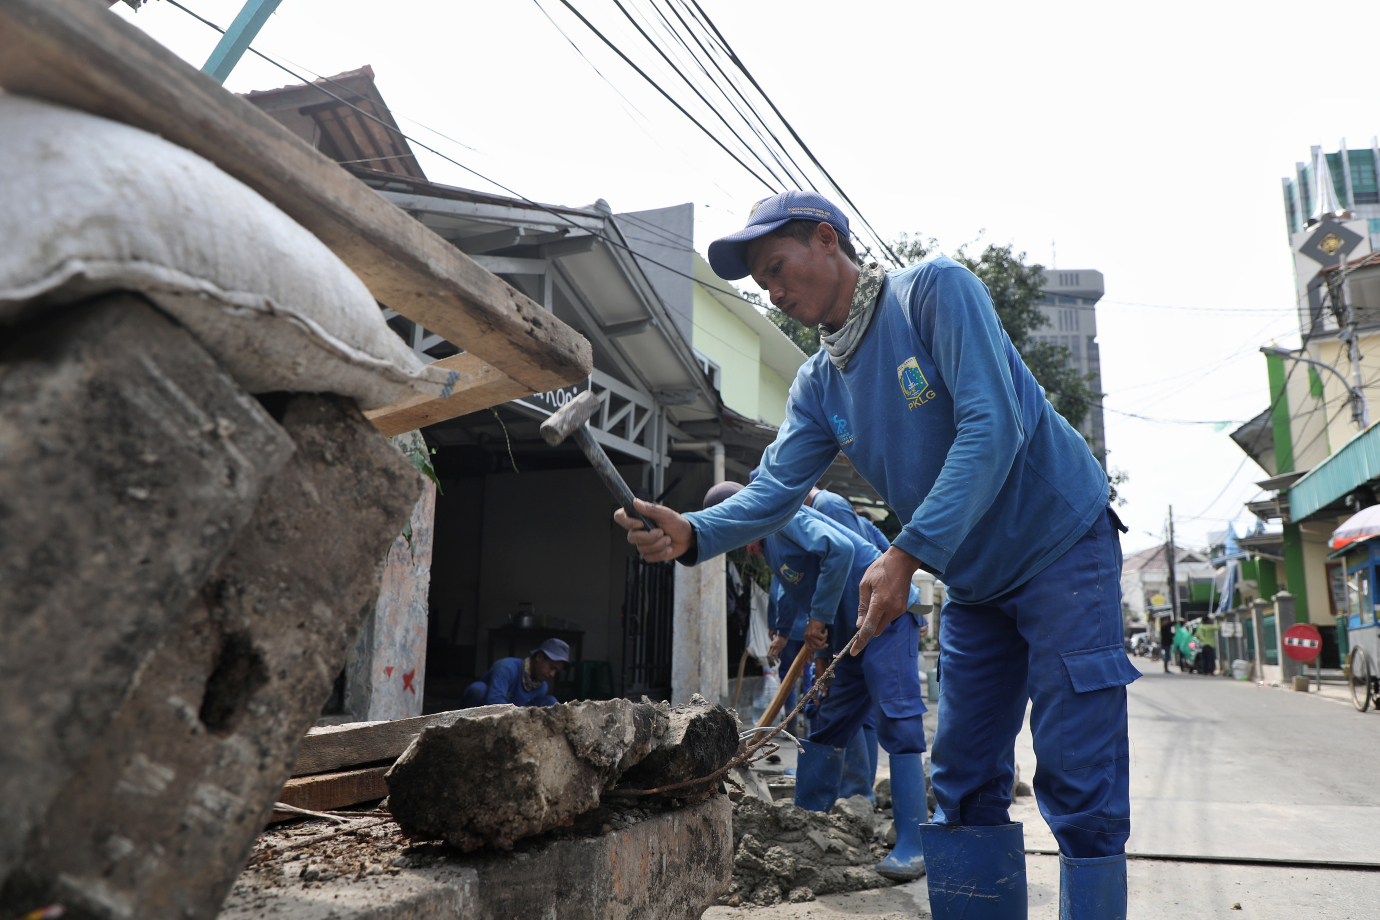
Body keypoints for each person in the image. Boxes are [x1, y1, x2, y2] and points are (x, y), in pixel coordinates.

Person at [614, 190, 1139, 920]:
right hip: (978, 583)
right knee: (961, 774)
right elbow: (772, 493)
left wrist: (907, 551)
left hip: (1060, 546)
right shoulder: (820, 382)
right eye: (762, 282)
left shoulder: (932, 294)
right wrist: (694, 533)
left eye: (777, 267)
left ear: (826, 240)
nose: (774, 291)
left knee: (1077, 770)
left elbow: (994, 427)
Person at [703, 481, 930, 881]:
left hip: (886, 616)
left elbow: (839, 551)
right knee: (827, 724)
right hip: (849, 635)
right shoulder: (770, 544)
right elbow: (808, 591)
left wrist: (818, 620)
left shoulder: (784, 517)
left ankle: (914, 842)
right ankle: (807, 821)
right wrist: (822, 651)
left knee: (897, 719)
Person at [461, 638, 569, 707]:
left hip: (516, 715)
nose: (552, 674)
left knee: (551, 702)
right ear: (539, 657)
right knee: (477, 690)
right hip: (487, 711)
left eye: (556, 671)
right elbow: (494, 699)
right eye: (551, 667)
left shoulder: (541, 686)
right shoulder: (507, 667)